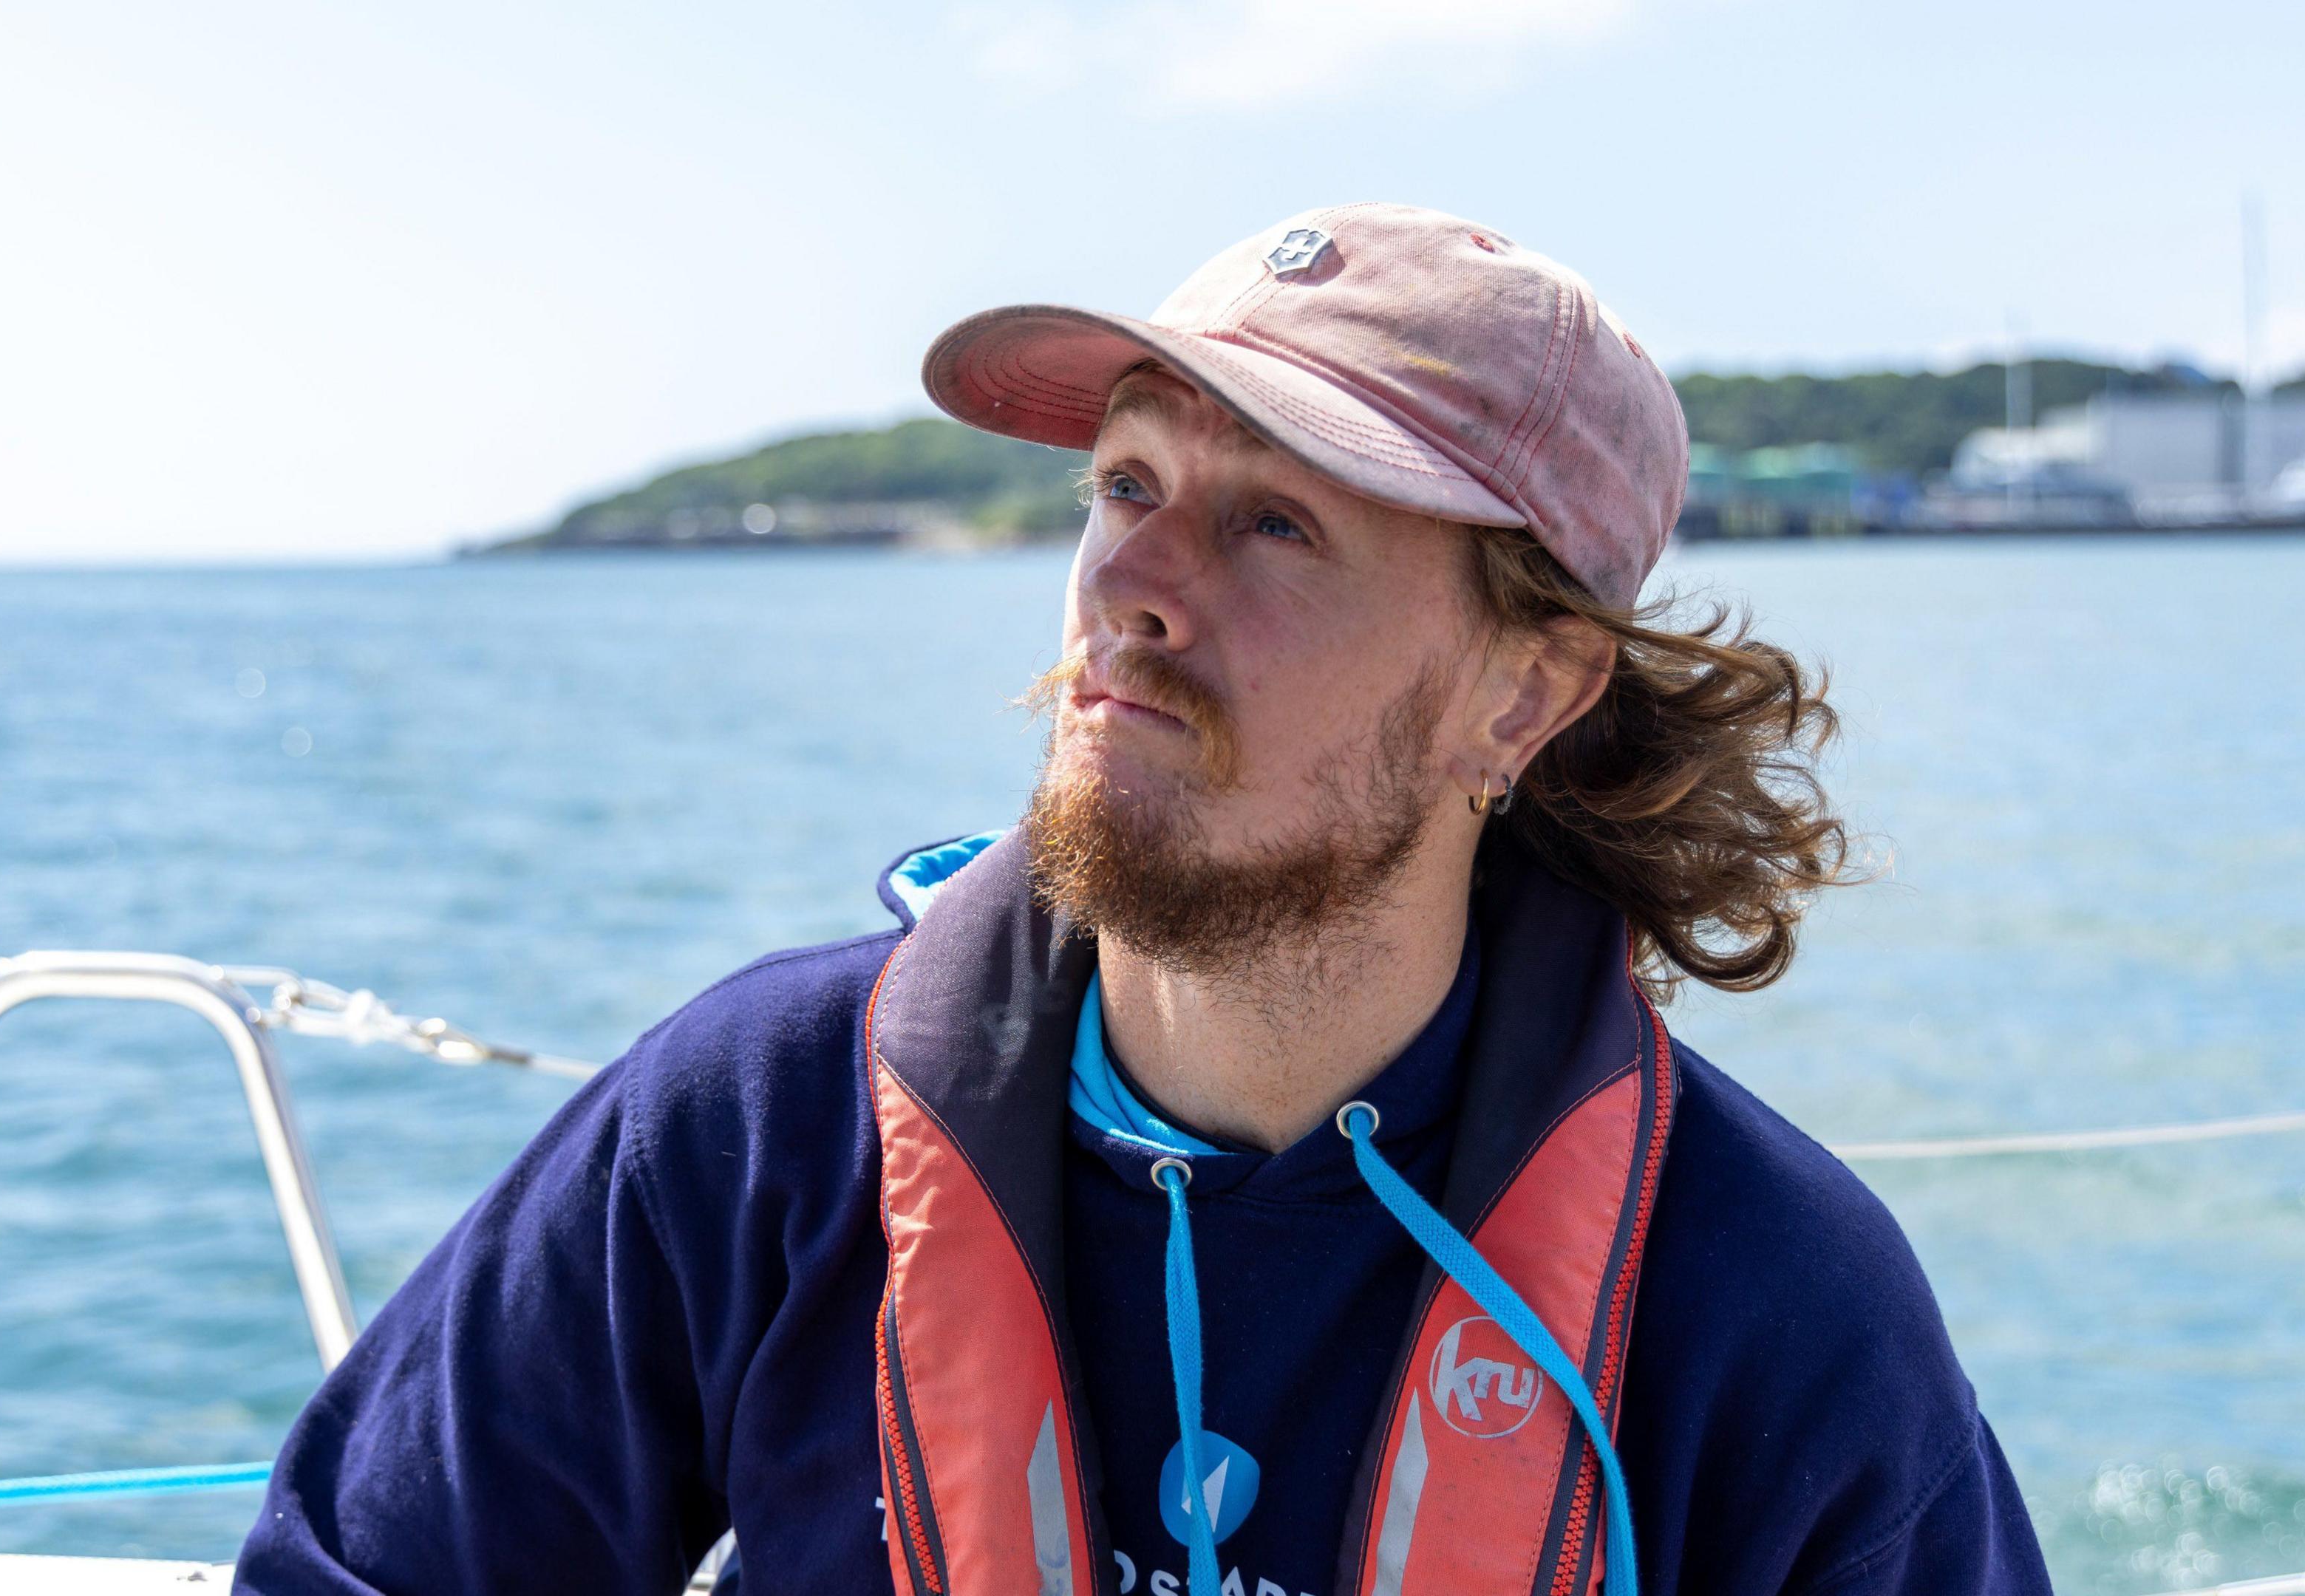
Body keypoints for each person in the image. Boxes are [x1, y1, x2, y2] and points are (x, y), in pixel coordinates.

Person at [235, 205, 2054, 1596]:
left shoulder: (1769, 1303)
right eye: (1127, 483)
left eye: (1277, 523)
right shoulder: (754, 1133)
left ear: (1528, 694)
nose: (1133, 587)